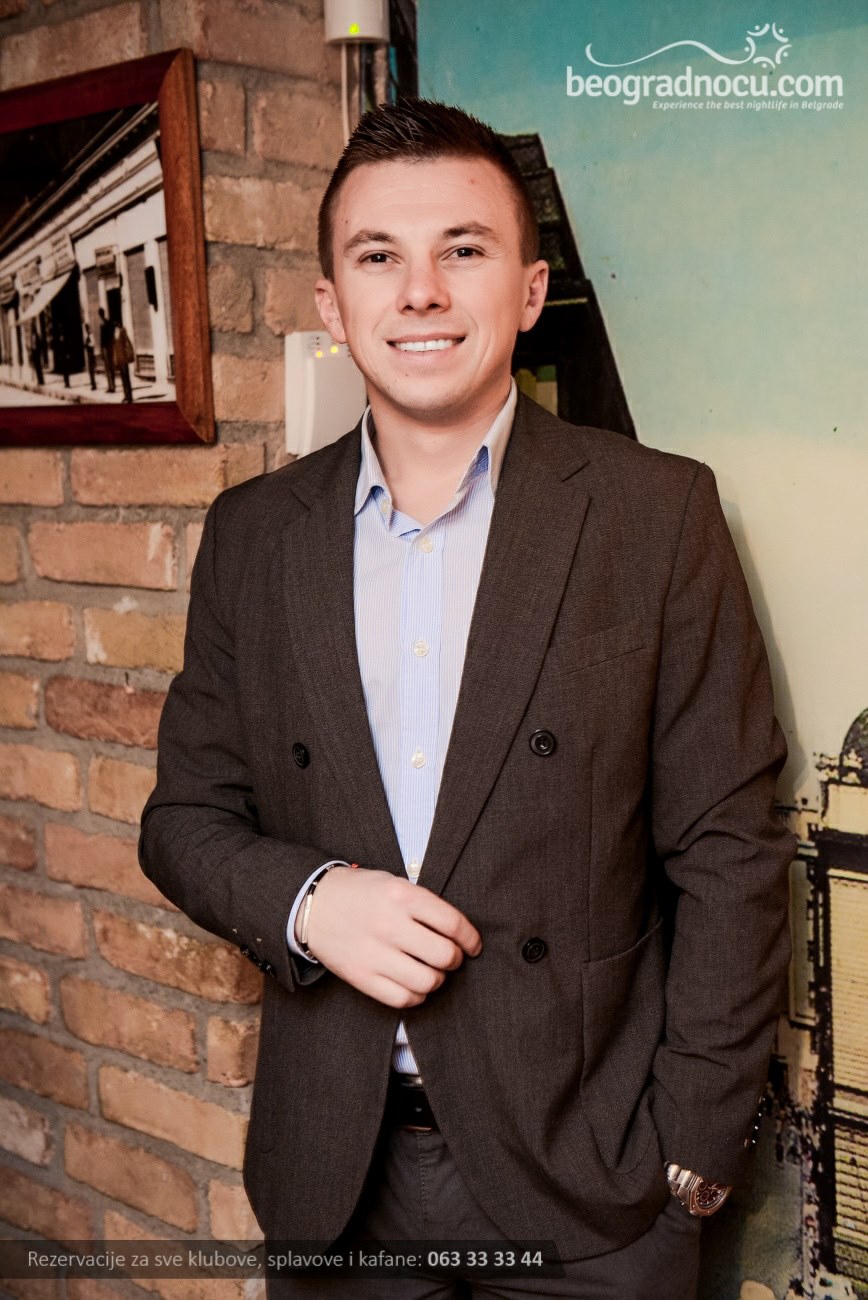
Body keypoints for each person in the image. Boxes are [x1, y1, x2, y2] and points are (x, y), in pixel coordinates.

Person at [139, 100, 797, 1299]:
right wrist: (309, 901)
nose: (420, 292)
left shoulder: (658, 515)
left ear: (530, 290)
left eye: (463, 248)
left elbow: (729, 849)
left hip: (593, 1186)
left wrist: (695, 1154)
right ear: (333, 305)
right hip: (338, 1177)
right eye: (377, 257)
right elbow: (183, 820)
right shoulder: (253, 536)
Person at [113, 321, 134, 402]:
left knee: (126, 377)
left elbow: (128, 343)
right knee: (123, 378)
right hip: (119, 358)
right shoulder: (115, 333)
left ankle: (129, 396)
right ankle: (126, 395)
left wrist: (129, 354)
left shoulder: (122, 331)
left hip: (124, 358)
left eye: (116, 325)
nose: (116, 326)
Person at [98, 307, 115, 392]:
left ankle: (111, 386)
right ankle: (112, 385)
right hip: (109, 346)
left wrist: (101, 349)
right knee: (110, 367)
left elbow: (102, 339)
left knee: (108, 367)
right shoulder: (108, 322)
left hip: (106, 347)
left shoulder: (103, 324)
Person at [83, 321, 97, 390]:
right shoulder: (87, 336)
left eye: (87, 328)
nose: (86, 330)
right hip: (88, 354)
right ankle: (92, 383)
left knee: (92, 370)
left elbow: (93, 344)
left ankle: (94, 385)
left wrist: (87, 345)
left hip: (91, 354)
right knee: (90, 370)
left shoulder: (91, 335)